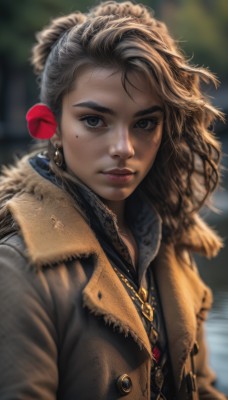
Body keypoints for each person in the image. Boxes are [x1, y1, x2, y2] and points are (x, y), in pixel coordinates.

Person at [0, 1, 226, 399]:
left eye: (144, 123)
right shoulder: (16, 269)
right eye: (94, 120)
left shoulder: (169, 243)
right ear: (49, 123)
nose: (124, 148)